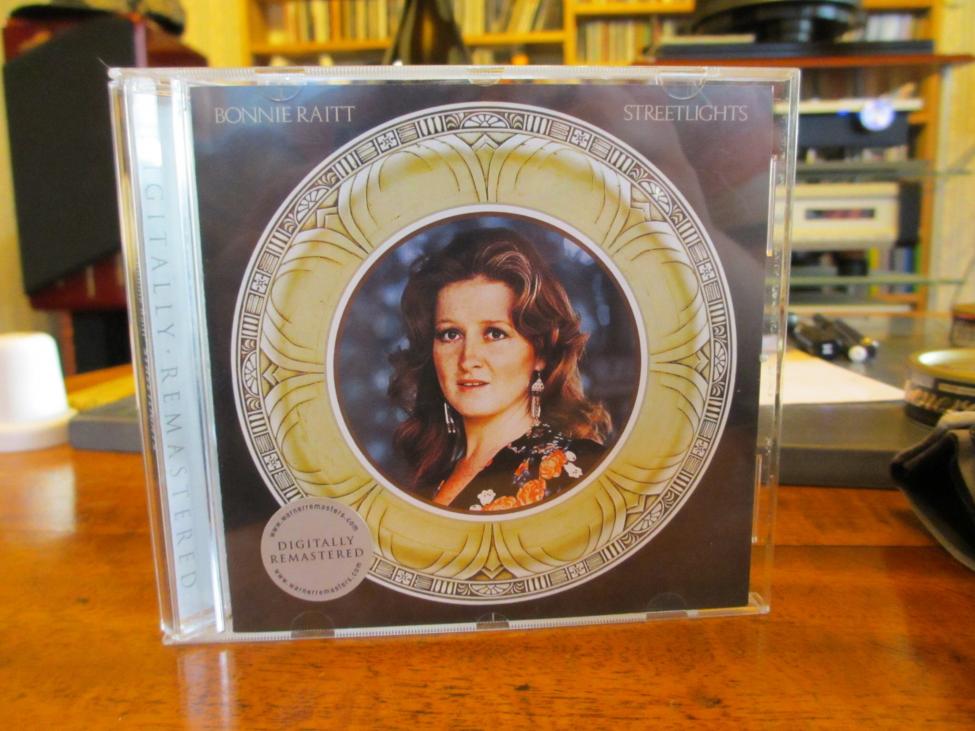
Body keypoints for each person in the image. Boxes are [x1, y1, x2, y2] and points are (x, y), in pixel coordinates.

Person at [389, 226, 611, 512]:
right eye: (450, 334)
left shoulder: (580, 470)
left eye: (495, 333)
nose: (468, 358)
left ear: (541, 353)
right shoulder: (427, 480)